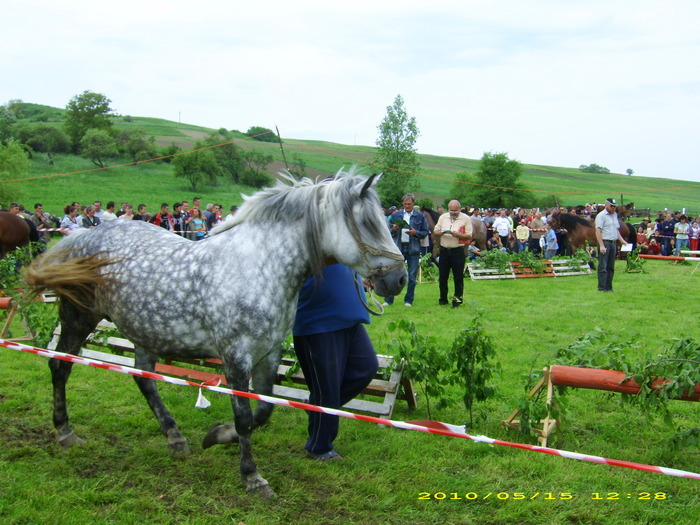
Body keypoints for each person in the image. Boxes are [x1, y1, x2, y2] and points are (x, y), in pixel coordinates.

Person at [293, 263, 378, 461]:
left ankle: (316, 406)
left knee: (366, 367)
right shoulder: (310, 234)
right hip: (319, 323)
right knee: (327, 388)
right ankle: (318, 447)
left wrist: (360, 279)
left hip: (351, 318)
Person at [384, 194, 429, 307]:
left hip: (413, 248)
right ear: (402, 203)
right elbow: (387, 232)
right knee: (392, 274)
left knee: (412, 276)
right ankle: (388, 300)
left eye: (409, 204)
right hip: (398, 248)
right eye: (405, 204)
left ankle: (408, 300)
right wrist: (394, 229)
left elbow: (425, 232)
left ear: (413, 203)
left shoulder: (420, 216)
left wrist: (416, 233)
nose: (407, 206)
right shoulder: (397, 215)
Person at [433, 200, 472, 307]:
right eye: (451, 210)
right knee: (443, 277)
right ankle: (443, 299)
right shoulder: (443, 217)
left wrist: (459, 235)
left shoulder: (466, 218)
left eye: (455, 210)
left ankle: (457, 301)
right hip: (444, 251)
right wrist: (440, 233)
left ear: (460, 209)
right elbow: (435, 231)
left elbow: (469, 235)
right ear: (448, 209)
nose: (453, 212)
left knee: (458, 277)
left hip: (458, 251)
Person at [594, 198, 629, 292]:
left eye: (614, 206)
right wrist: (601, 245)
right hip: (605, 241)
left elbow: (616, 230)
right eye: (611, 206)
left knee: (611, 266)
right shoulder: (601, 216)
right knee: (603, 266)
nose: (613, 208)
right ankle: (602, 287)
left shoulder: (614, 215)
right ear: (606, 205)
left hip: (613, 242)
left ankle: (609, 287)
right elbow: (598, 230)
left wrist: (622, 241)